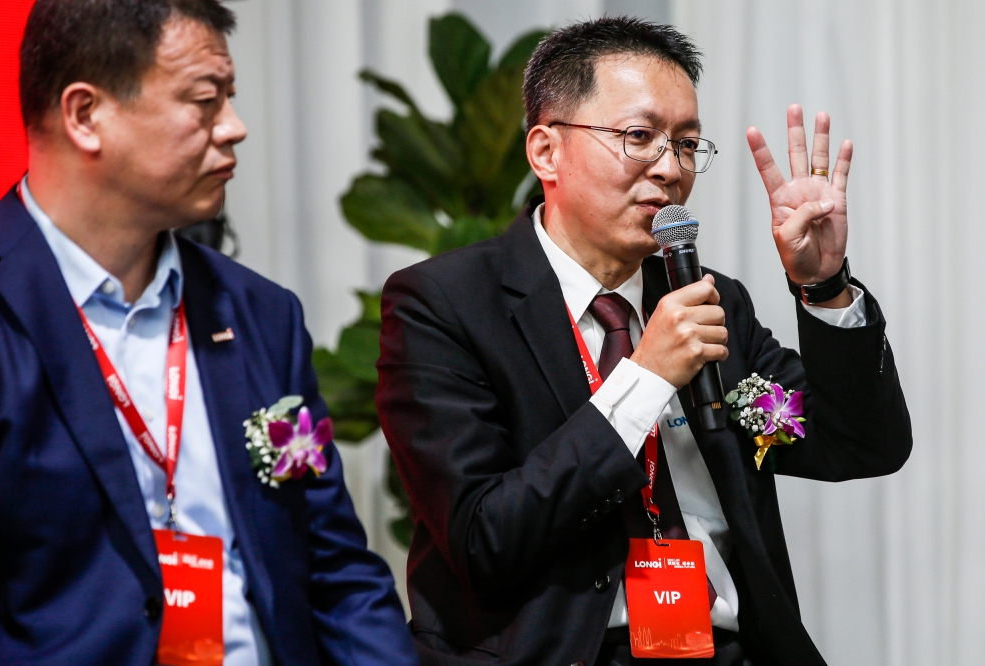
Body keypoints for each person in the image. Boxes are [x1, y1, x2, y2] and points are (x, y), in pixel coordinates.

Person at [376, 17, 911, 666]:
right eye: (639, 137)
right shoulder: (445, 304)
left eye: (687, 145)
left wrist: (824, 286)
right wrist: (647, 376)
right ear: (546, 151)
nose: (671, 168)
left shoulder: (709, 300)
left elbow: (858, 444)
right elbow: (484, 541)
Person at [0, 1, 418, 664]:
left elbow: (333, 562)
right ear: (85, 114)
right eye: (205, 101)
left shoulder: (260, 316)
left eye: (231, 99)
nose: (236, 128)